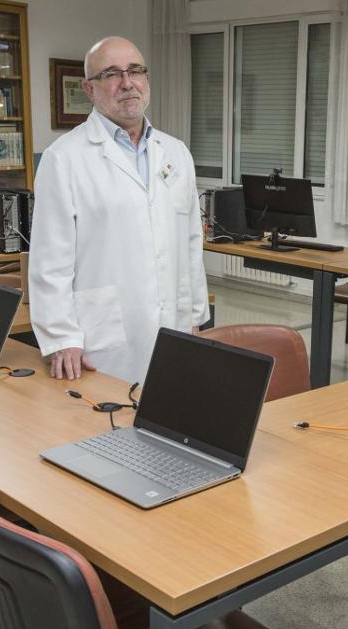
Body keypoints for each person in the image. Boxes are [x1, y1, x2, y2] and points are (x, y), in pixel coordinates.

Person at [28, 36, 208, 383]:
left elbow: (190, 244)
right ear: (89, 89)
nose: (127, 83)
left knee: (166, 417)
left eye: (135, 71)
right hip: (100, 339)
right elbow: (50, 261)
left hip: (174, 326)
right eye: (111, 74)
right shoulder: (64, 158)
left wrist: (194, 314)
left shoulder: (175, 152)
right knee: (101, 429)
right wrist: (61, 337)